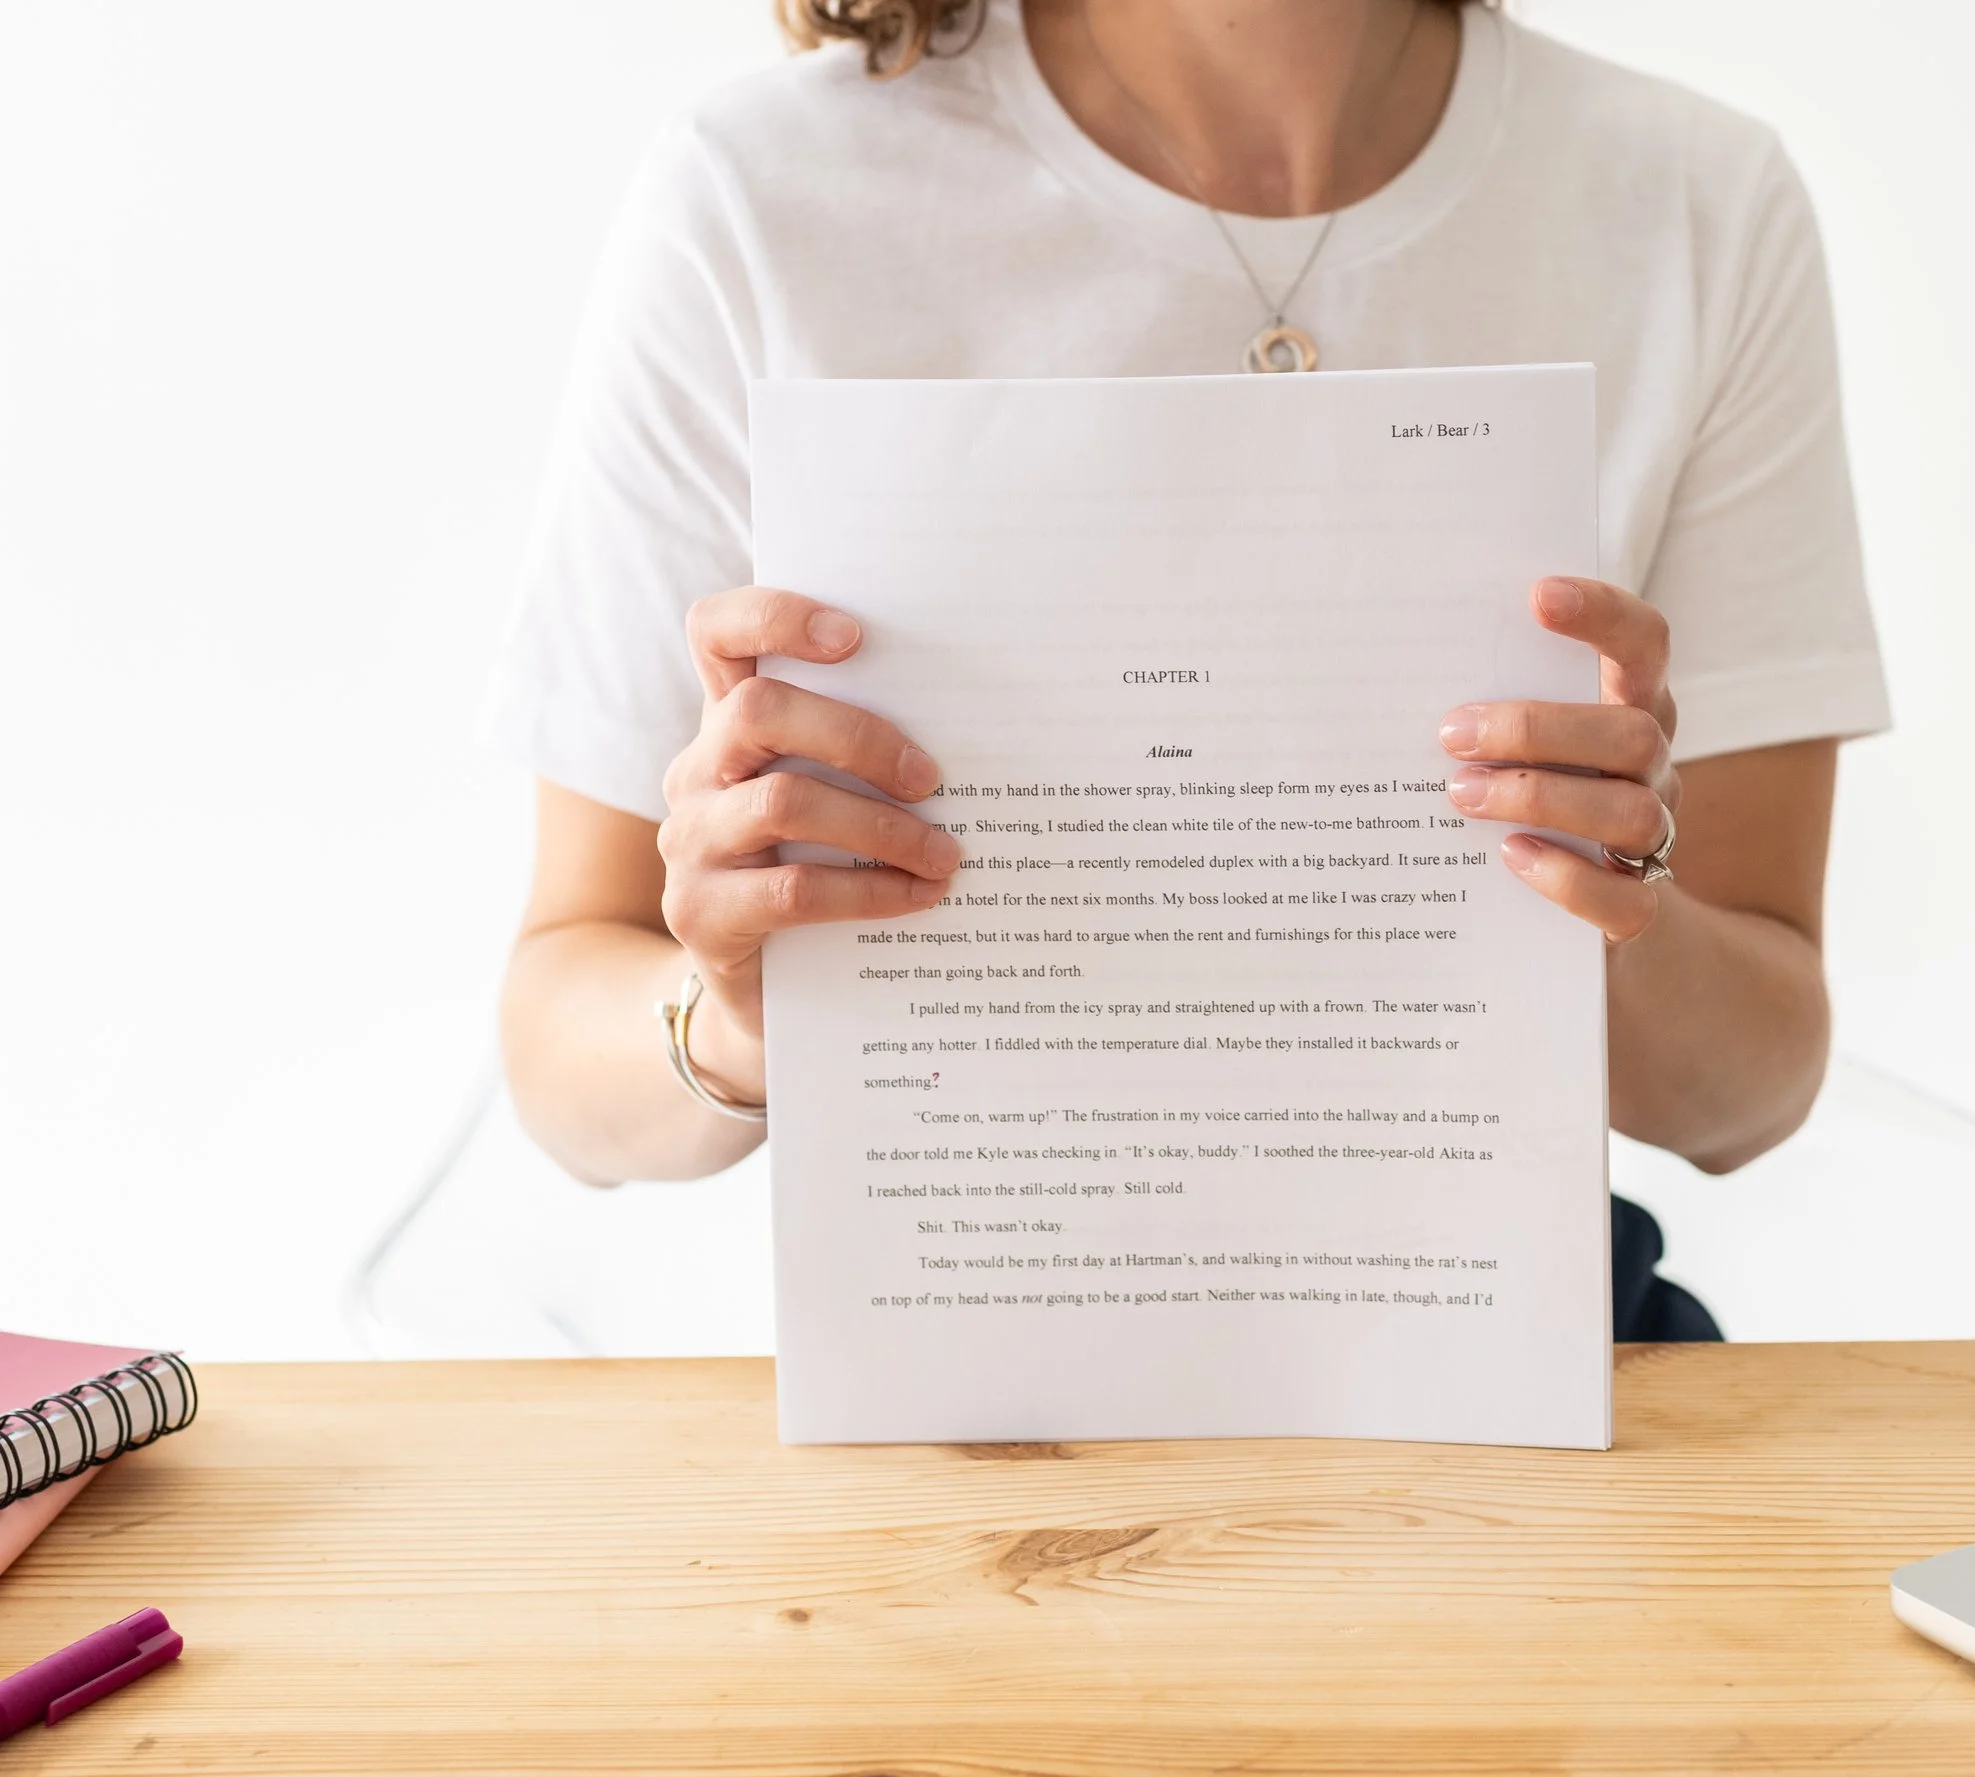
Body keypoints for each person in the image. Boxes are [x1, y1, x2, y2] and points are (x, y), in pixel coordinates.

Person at [490, 0, 1890, 1342]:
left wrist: (1612, 908)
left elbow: (1750, 1094)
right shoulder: (757, 199)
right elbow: (561, 1046)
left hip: (1501, 1366)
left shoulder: (1693, 205)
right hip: (945, 1380)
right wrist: (734, 1023)